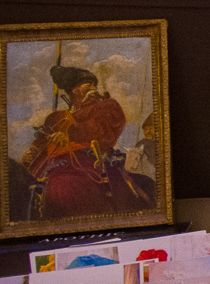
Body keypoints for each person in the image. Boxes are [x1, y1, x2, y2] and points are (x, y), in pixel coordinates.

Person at [19, 66, 156, 220]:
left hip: (90, 164)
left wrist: (71, 133)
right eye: (88, 84)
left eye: (94, 85)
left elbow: (104, 129)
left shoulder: (106, 106)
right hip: (51, 166)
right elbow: (41, 142)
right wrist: (32, 154)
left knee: (64, 185)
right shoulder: (55, 118)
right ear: (75, 90)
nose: (93, 88)